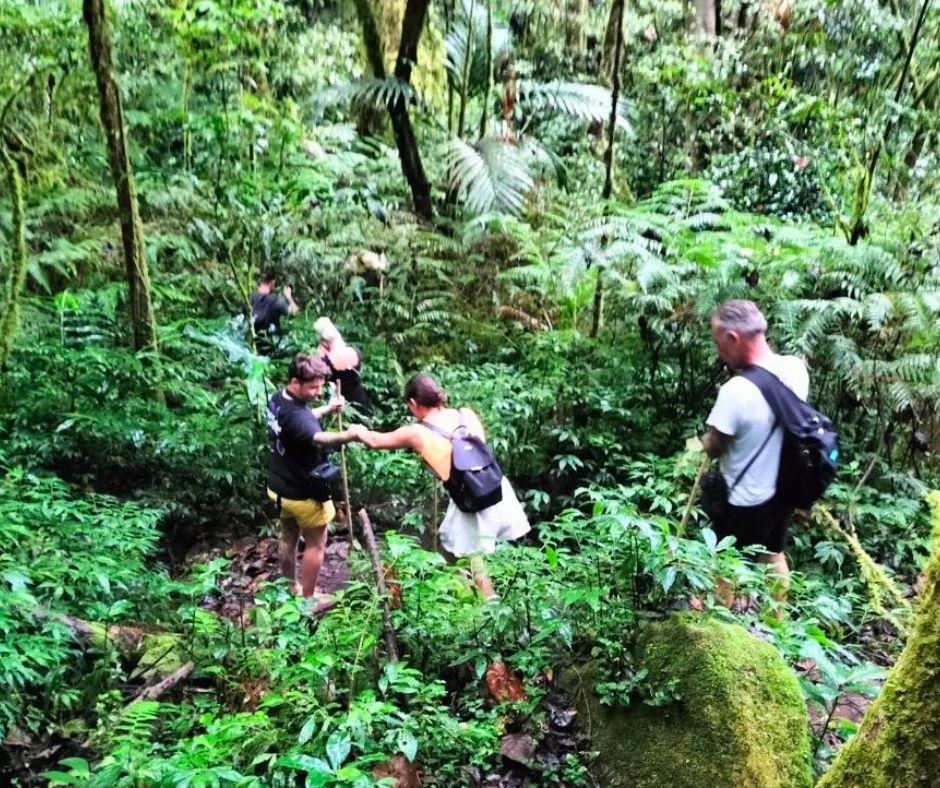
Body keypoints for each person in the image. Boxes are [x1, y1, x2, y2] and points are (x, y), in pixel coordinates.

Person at [349, 374, 530, 601]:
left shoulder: (416, 432)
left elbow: (375, 441)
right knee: (454, 546)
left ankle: (488, 606)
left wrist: (356, 431)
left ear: (414, 403)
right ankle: (468, 601)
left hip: (469, 498)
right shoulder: (466, 414)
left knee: (471, 554)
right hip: (494, 486)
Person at [701, 299, 809, 609]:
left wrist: (706, 440)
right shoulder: (795, 369)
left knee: (725, 561)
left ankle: (721, 628)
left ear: (733, 338)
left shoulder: (735, 391)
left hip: (744, 498)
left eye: (718, 341)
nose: (718, 349)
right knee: (773, 554)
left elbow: (715, 443)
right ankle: (778, 625)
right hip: (782, 490)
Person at [266, 353, 359, 600]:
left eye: (320, 386)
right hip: (303, 493)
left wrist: (327, 408)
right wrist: (351, 435)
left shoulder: (278, 399)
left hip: (278, 486)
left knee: (288, 535)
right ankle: (308, 599)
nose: (318, 392)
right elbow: (319, 437)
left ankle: (291, 586)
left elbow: (301, 421)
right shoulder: (298, 417)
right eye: (313, 387)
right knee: (316, 544)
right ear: (295, 381)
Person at [314, 317, 371, 411]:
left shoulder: (325, 360)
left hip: (338, 403)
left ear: (324, 341)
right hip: (359, 398)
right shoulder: (354, 351)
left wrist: (320, 352)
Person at [251, 270, 299, 337]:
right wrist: (289, 297)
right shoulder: (274, 300)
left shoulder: (250, 297)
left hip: (249, 337)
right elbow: (294, 312)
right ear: (272, 282)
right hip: (267, 341)